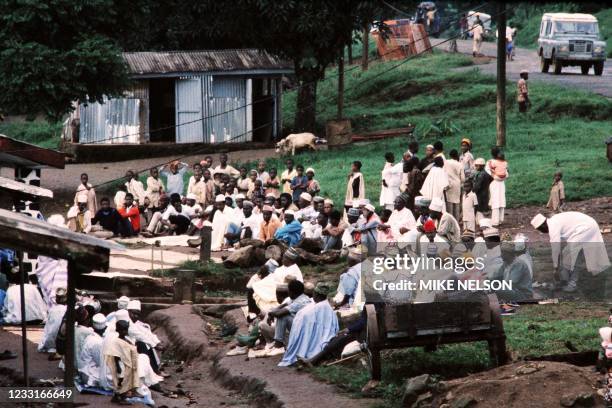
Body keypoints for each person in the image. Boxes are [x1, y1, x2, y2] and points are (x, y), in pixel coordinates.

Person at [531, 212, 611, 293]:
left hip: (586, 228)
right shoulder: (554, 221)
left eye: (540, 229)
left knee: (569, 254)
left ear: (543, 225)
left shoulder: (552, 226)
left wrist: (556, 268)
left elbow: (556, 250)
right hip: (588, 226)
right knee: (572, 255)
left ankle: (571, 284)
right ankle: (567, 281)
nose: (541, 232)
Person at [279, 282, 338, 367]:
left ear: (316, 294)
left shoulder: (314, 309)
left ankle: (296, 353)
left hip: (311, 339)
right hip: (323, 340)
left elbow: (302, 323)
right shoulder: (328, 309)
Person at [258, 279, 312, 355]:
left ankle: (278, 346)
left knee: (283, 316)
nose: (288, 293)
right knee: (271, 312)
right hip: (300, 329)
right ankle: (272, 343)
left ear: (292, 292)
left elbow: (279, 313)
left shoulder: (300, 302)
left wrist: (271, 314)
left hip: (303, 333)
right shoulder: (300, 297)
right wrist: (271, 313)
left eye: (289, 291)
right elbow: (282, 306)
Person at [104, 319, 141, 403]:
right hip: (121, 364)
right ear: (118, 330)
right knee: (122, 382)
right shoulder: (116, 341)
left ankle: (117, 396)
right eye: (123, 330)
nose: (125, 331)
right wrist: (117, 366)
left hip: (126, 364)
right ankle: (121, 397)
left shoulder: (126, 339)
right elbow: (115, 355)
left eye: (126, 329)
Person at [79, 313, 107, 387]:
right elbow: (100, 362)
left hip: (85, 370)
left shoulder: (91, 336)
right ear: (104, 328)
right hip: (89, 374)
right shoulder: (97, 342)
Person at [38, 288, 67, 355]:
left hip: (50, 342)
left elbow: (47, 328)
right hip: (62, 341)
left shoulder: (52, 310)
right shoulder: (67, 309)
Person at [487, 148, 508, 227]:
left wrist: (494, 175)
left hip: (495, 182)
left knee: (496, 201)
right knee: (500, 200)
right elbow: (506, 173)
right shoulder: (504, 163)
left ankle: (495, 221)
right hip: (501, 183)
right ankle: (499, 220)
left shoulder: (490, 162)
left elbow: (488, 172)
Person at [444, 149, 464, 221]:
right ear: (457, 156)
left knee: (449, 203)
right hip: (457, 185)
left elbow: (444, 172)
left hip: (449, 184)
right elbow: (463, 178)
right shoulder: (460, 164)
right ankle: (456, 221)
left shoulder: (446, 162)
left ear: (450, 155)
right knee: (457, 203)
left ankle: (450, 221)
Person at [472, 158, 491, 226]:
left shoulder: (481, 175)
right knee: (483, 208)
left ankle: (480, 222)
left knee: (478, 208)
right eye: (476, 165)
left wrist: (473, 191)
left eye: (477, 165)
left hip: (480, 194)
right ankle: (481, 221)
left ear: (482, 166)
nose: (476, 167)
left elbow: (477, 186)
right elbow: (491, 179)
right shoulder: (486, 173)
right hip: (485, 193)